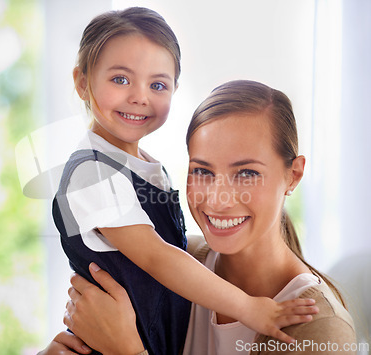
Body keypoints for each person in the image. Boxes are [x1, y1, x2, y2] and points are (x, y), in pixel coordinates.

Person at [53, 7, 318, 354]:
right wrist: (248, 307)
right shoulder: (92, 174)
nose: (139, 96)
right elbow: (158, 257)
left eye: (157, 84)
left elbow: (174, 243)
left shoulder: (146, 165)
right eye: (120, 79)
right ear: (83, 82)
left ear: (175, 90)